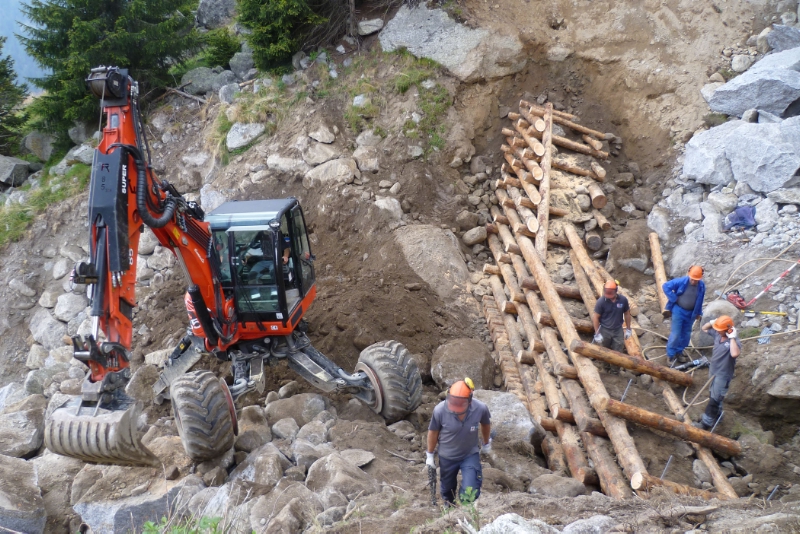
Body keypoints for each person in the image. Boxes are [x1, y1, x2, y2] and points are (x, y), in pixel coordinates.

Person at [427, 380, 492, 506]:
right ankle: (449, 507)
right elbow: (433, 432)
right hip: (447, 457)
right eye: (454, 403)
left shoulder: (480, 408)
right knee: (447, 491)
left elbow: (485, 424)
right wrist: (429, 455)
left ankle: (466, 509)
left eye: (460, 405)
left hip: (469, 455)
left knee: (470, 491)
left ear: (470, 400)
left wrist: (486, 443)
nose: (456, 409)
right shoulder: (440, 410)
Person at [694, 315, 740, 430]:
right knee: (713, 395)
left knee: (714, 400)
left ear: (728, 330)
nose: (718, 331)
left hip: (723, 375)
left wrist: (732, 338)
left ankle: (705, 424)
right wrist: (713, 322)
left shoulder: (734, 342)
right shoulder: (718, 334)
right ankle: (718, 415)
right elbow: (704, 328)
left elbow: (734, 354)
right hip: (713, 370)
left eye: (720, 330)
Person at [663, 265, 706, 364]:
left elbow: (700, 300)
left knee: (686, 334)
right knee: (676, 334)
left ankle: (679, 352)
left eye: (696, 280)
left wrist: (698, 312)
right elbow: (666, 286)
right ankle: (670, 355)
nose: (693, 281)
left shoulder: (701, 286)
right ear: (689, 274)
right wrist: (674, 298)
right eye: (692, 279)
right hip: (679, 310)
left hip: (691, 313)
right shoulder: (681, 281)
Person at [592, 280, 632, 352]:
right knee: (603, 350)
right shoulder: (601, 302)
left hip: (618, 330)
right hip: (604, 330)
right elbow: (595, 317)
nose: (609, 297)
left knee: (619, 349)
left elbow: (627, 314)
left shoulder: (623, 300)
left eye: (611, 295)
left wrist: (628, 329)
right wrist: (597, 333)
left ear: (616, 291)